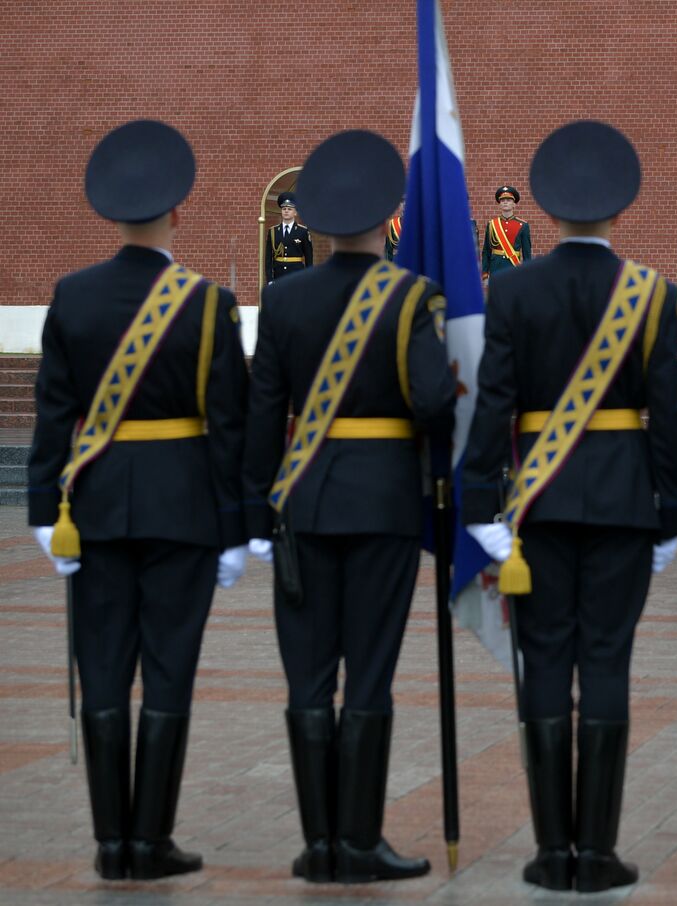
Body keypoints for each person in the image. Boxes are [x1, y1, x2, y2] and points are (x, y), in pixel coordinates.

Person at [458, 120, 677, 894]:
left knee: (545, 666)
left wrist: (481, 505)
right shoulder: (651, 293)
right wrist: (673, 511)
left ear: (548, 214)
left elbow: (492, 405)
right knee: (609, 663)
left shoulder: (515, 287)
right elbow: (671, 414)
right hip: (624, 500)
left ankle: (550, 852)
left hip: (537, 507)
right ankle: (599, 852)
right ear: (620, 212)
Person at [27, 120, 249, 881]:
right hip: (183, 507)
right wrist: (236, 530)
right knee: (168, 670)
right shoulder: (208, 303)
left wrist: (37, 512)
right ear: (177, 214)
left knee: (101, 667)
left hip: (92, 506)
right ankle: (150, 841)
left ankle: (108, 842)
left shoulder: (73, 296)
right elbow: (229, 427)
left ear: (109, 215)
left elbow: (53, 413)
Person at [242, 130, 455, 884]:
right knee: (367, 676)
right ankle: (360, 844)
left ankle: (318, 846)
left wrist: (254, 514)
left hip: (301, 504)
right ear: (388, 214)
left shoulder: (284, 298)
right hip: (385, 505)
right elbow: (434, 402)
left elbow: (263, 413)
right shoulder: (409, 297)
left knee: (307, 677)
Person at [480, 184, 531, 283]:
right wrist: (485, 273)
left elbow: (527, 253)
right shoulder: (492, 224)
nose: (505, 202)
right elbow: (486, 251)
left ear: (514, 204)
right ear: (499, 204)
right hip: (495, 268)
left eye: (508, 200)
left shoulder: (523, 225)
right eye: (503, 201)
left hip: (513, 267)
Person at [265, 192, 314, 282]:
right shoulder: (273, 231)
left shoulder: (302, 231)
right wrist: (270, 279)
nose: (286, 211)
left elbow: (309, 258)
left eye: (289, 209)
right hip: (278, 275)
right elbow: (268, 259)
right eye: (284, 209)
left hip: (296, 275)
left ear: (295, 212)